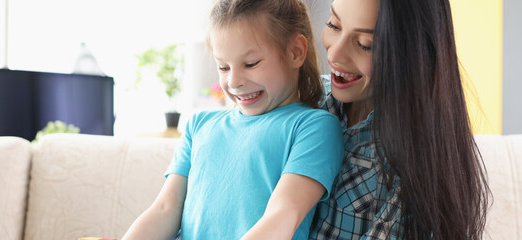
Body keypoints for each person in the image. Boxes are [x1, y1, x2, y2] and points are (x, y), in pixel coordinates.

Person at [122, 0, 344, 239]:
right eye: (223, 67)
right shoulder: (199, 126)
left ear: (295, 52)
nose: (233, 81)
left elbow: (282, 217)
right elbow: (165, 210)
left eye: (250, 64)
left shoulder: (314, 128)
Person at [308, 0, 491, 239]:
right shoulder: (310, 99)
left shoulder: (412, 164)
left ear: (412, 56)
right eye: (333, 24)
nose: (334, 53)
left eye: (365, 45)